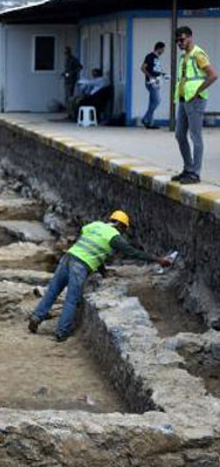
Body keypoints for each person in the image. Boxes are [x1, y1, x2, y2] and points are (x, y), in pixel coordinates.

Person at [28, 211, 172, 342]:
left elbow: (94, 250)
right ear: (121, 226)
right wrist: (158, 260)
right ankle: (61, 332)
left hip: (68, 257)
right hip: (80, 265)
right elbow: (133, 253)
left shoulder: (95, 225)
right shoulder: (114, 237)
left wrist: (103, 271)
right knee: (72, 299)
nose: (123, 232)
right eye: (123, 229)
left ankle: (37, 316)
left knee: (53, 291)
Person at [173, 26, 217, 185]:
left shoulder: (198, 54)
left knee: (195, 136)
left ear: (190, 37)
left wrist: (198, 90)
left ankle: (195, 173)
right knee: (179, 134)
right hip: (184, 99)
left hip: (195, 99)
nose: (179, 43)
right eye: (177, 40)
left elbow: (213, 75)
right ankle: (188, 168)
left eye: (182, 39)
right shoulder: (184, 57)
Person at [141, 42, 166, 129]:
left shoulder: (157, 58)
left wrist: (162, 74)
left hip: (157, 82)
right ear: (158, 48)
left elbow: (155, 70)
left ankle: (150, 122)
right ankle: (146, 119)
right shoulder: (150, 57)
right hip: (151, 82)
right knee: (156, 101)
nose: (163, 51)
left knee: (152, 103)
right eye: (162, 49)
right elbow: (143, 68)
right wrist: (150, 77)